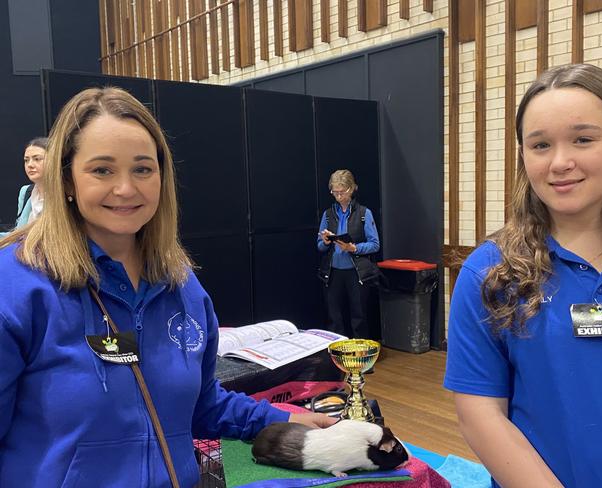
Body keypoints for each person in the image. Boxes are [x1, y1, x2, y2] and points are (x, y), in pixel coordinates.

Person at [0, 87, 335, 488]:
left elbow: (200, 404)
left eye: (142, 169)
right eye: (102, 170)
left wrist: (281, 418)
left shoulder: (182, 285)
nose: (126, 189)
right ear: (67, 179)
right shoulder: (18, 285)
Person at [444, 63, 602, 487]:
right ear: (523, 154)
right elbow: (481, 414)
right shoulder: (490, 273)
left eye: (583, 139)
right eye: (540, 145)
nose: (560, 162)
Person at [317, 169, 380, 339]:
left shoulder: (363, 213)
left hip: (356, 272)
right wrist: (325, 241)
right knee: (334, 317)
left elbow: (375, 245)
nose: (338, 196)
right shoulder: (328, 215)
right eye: (334, 192)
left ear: (351, 189)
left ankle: (360, 357)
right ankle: (337, 355)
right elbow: (319, 246)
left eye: (341, 192)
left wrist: (354, 248)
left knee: (358, 317)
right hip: (333, 272)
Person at [17, 137, 47, 227]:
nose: (30, 165)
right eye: (26, 160)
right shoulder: (25, 191)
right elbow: (17, 233)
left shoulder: (66, 193)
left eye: (37, 159)